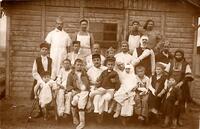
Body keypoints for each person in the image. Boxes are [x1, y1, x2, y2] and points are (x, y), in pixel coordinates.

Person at [165, 49, 193, 119]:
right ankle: (168, 117)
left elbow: (188, 76)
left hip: (182, 86)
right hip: (171, 85)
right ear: (175, 55)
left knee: (180, 102)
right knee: (169, 101)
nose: (178, 56)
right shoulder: (171, 62)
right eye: (177, 55)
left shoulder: (185, 64)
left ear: (182, 56)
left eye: (180, 55)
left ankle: (178, 118)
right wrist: (168, 81)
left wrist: (181, 82)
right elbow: (166, 73)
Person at [31, 42, 54, 118]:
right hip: (40, 79)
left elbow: (54, 70)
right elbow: (34, 72)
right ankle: (40, 110)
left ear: (48, 51)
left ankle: (47, 109)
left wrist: (50, 79)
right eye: (43, 49)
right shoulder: (37, 60)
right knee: (38, 92)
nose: (44, 51)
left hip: (49, 79)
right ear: (40, 50)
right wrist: (40, 80)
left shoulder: (50, 60)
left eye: (46, 50)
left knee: (49, 92)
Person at [67, 59, 90, 129]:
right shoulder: (71, 74)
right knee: (74, 101)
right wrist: (72, 90)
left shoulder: (84, 73)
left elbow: (88, 83)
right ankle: (74, 117)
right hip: (77, 91)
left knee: (81, 104)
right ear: (74, 65)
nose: (79, 66)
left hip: (84, 91)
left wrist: (86, 88)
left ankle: (82, 122)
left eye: (81, 65)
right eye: (78, 65)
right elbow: (68, 85)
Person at [87, 54, 107, 118]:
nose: (96, 62)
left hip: (103, 86)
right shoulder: (90, 70)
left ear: (100, 60)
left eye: (98, 60)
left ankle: (99, 113)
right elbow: (88, 81)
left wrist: (100, 83)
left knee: (100, 94)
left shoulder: (105, 68)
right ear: (92, 62)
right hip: (93, 86)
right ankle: (98, 113)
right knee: (97, 95)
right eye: (94, 60)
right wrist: (94, 83)